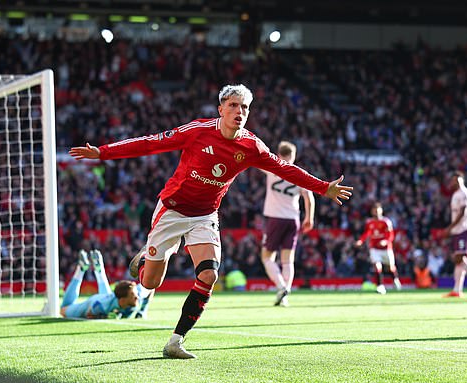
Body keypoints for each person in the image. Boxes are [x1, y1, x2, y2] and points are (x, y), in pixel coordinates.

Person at [69, 84, 353, 359]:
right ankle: (144, 261)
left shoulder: (251, 145)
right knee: (151, 283)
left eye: (244, 107)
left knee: (208, 275)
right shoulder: (198, 131)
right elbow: (152, 143)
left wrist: (323, 187)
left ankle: (175, 341)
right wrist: (103, 151)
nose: (239, 111)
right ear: (221, 109)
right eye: (233, 105)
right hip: (173, 210)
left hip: (205, 215)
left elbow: (284, 169)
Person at [260, 141, 315, 307]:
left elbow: (256, 160)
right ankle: (284, 295)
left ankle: (281, 286)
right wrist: (309, 218)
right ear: (294, 155)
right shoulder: (299, 173)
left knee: (267, 257)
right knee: (288, 260)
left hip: (275, 218)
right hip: (293, 220)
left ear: (279, 155)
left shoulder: (272, 168)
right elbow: (309, 198)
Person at [60, 249, 154, 319]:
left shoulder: (138, 294)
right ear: (122, 300)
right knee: (63, 310)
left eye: (135, 294)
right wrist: (102, 316)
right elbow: (90, 313)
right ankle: (81, 270)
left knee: (106, 296)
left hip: (107, 298)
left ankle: (97, 269)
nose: (137, 297)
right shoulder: (101, 306)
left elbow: (150, 288)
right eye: (133, 295)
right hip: (94, 302)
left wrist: (142, 311)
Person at [354, 202, 401, 294]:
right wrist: (361, 240)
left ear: (381, 211)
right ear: (372, 212)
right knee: (377, 266)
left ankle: (395, 279)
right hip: (374, 248)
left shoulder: (386, 222)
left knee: (390, 267)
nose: (376, 212)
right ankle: (380, 286)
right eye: (374, 210)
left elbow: (390, 235)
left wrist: (386, 241)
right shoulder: (369, 222)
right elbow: (367, 233)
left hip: (386, 249)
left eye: (378, 210)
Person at [440, 171, 467, 298]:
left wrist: (450, 227)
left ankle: (457, 290)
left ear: (461, 180)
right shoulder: (456, 194)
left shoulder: (464, 193)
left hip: (463, 230)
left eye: (456, 180)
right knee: (459, 260)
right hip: (457, 231)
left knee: (460, 258)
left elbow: (463, 212)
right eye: (452, 180)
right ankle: (457, 290)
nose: (454, 182)